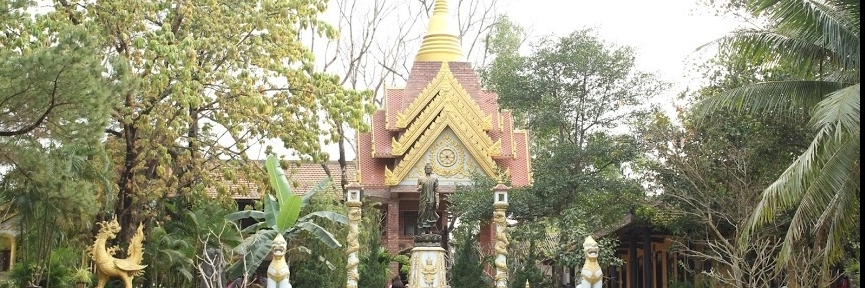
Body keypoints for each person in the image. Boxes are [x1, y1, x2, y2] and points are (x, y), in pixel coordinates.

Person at [416, 163, 439, 234]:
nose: (428, 170)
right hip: (423, 199)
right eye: (426, 168)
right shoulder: (420, 178)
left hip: (431, 199)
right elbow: (418, 189)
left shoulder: (434, 179)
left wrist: (437, 201)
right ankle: (423, 230)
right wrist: (419, 188)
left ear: (431, 170)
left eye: (429, 168)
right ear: (424, 170)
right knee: (422, 213)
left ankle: (430, 230)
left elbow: (436, 191)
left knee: (430, 214)